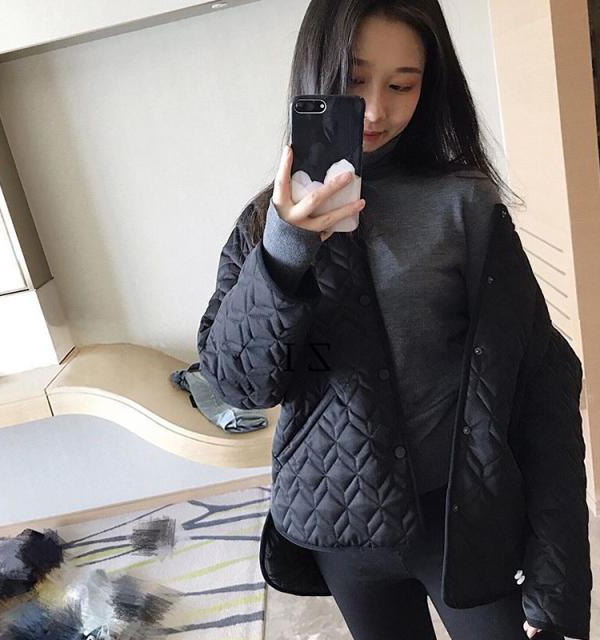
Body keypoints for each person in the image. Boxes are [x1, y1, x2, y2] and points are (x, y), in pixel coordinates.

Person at [196, 1, 592, 639]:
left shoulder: (463, 204)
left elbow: (540, 381)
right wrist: (286, 250)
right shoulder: (264, 226)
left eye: (402, 85)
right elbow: (239, 384)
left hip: (462, 519)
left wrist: (557, 577)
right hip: (339, 523)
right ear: (316, 72)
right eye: (355, 80)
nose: (376, 110)